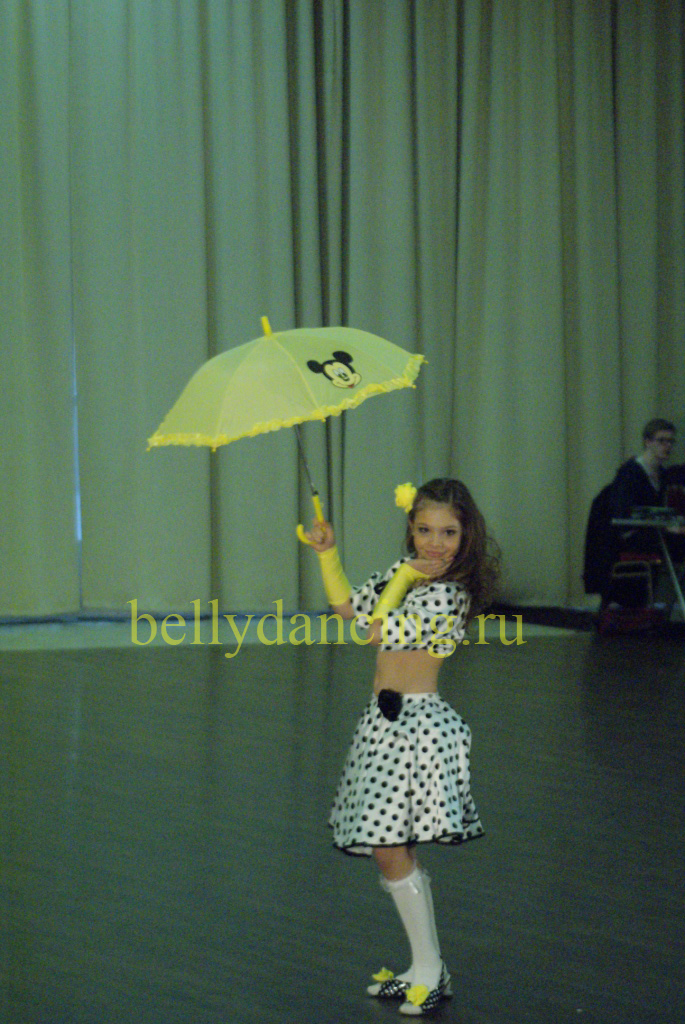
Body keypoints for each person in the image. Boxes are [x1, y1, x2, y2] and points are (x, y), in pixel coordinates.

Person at [303, 478, 499, 1016]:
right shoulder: (407, 572)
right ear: (411, 528)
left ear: (467, 535)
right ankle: (425, 967)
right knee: (390, 848)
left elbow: (373, 631)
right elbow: (348, 609)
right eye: (425, 530)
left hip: (416, 729)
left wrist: (407, 577)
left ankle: (430, 970)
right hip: (383, 724)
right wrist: (327, 554)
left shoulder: (448, 593)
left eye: (448, 533)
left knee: (390, 847)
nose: (435, 544)